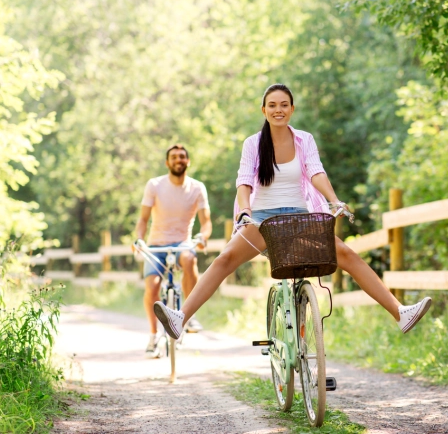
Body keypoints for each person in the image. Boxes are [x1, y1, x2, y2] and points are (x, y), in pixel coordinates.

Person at [154, 84, 431, 340]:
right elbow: (244, 181)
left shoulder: (304, 140)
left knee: (345, 253)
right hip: (262, 219)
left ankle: (400, 313)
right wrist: (246, 211)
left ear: (292, 109)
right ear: (264, 110)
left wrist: (334, 200)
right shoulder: (253, 144)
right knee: (225, 259)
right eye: (272, 105)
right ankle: (181, 318)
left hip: (299, 217)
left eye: (284, 104)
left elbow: (315, 172)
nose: (278, 110)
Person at [135, 144, 212, 358]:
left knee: (189, 259)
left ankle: (188, 315)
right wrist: (139, 240)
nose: (178, 160)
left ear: (187, 161)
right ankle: (152, 336)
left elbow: (206, 223)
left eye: (182, 157)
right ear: (167, 162)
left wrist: (202, 237)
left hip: (182, 244)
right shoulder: (154, 185)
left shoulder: (197, 187)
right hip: (156, 245)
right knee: (152, 287)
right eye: (174, 157)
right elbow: (143, 219)